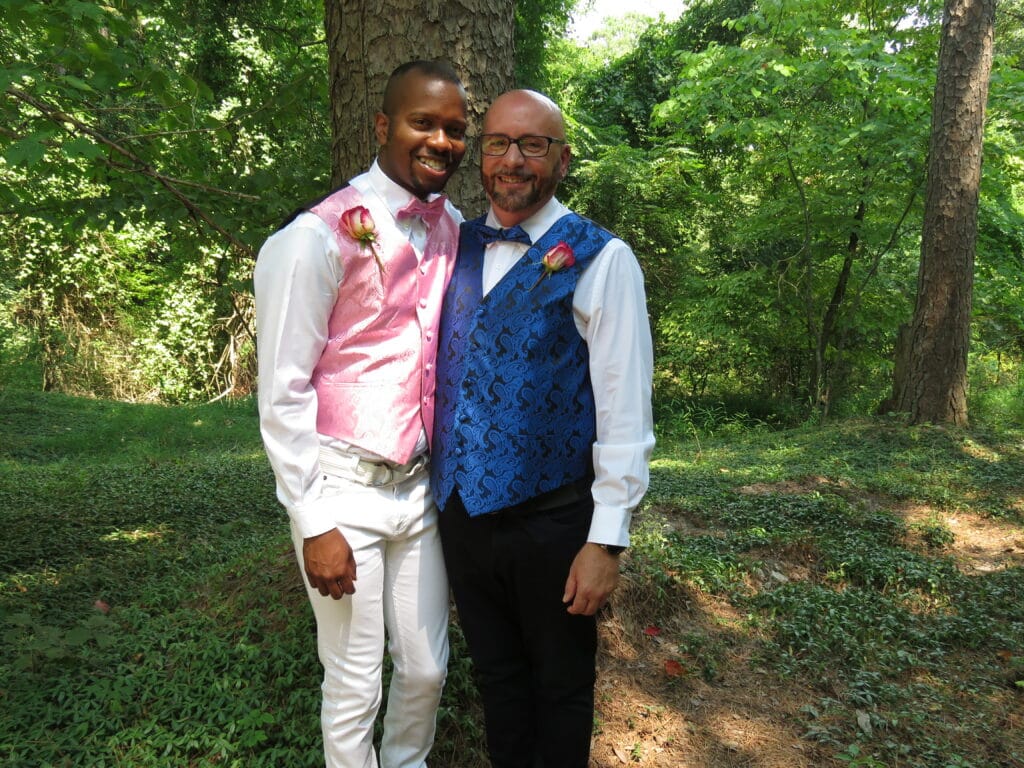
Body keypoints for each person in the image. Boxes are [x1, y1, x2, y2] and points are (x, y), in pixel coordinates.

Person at [430, 89, 655, 768]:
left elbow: (625, 408)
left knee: (559, 687)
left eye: (533, 145)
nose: (513, 160)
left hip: (553, 522)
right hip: (461, 518)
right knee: (497, 679)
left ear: (561, 158)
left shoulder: (602, 257)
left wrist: (606, 539)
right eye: (498, 142)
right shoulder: (452, 244)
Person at [253, 60, 468, 768]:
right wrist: (314, 522)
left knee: (428, 670)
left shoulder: (454, 229)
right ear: (382, 126)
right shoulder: (313, 237)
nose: (441, 140)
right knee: (352, 685)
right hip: (342, 489)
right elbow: (282, 392)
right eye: (423, 123)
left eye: (456, 130)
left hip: (419, 488)